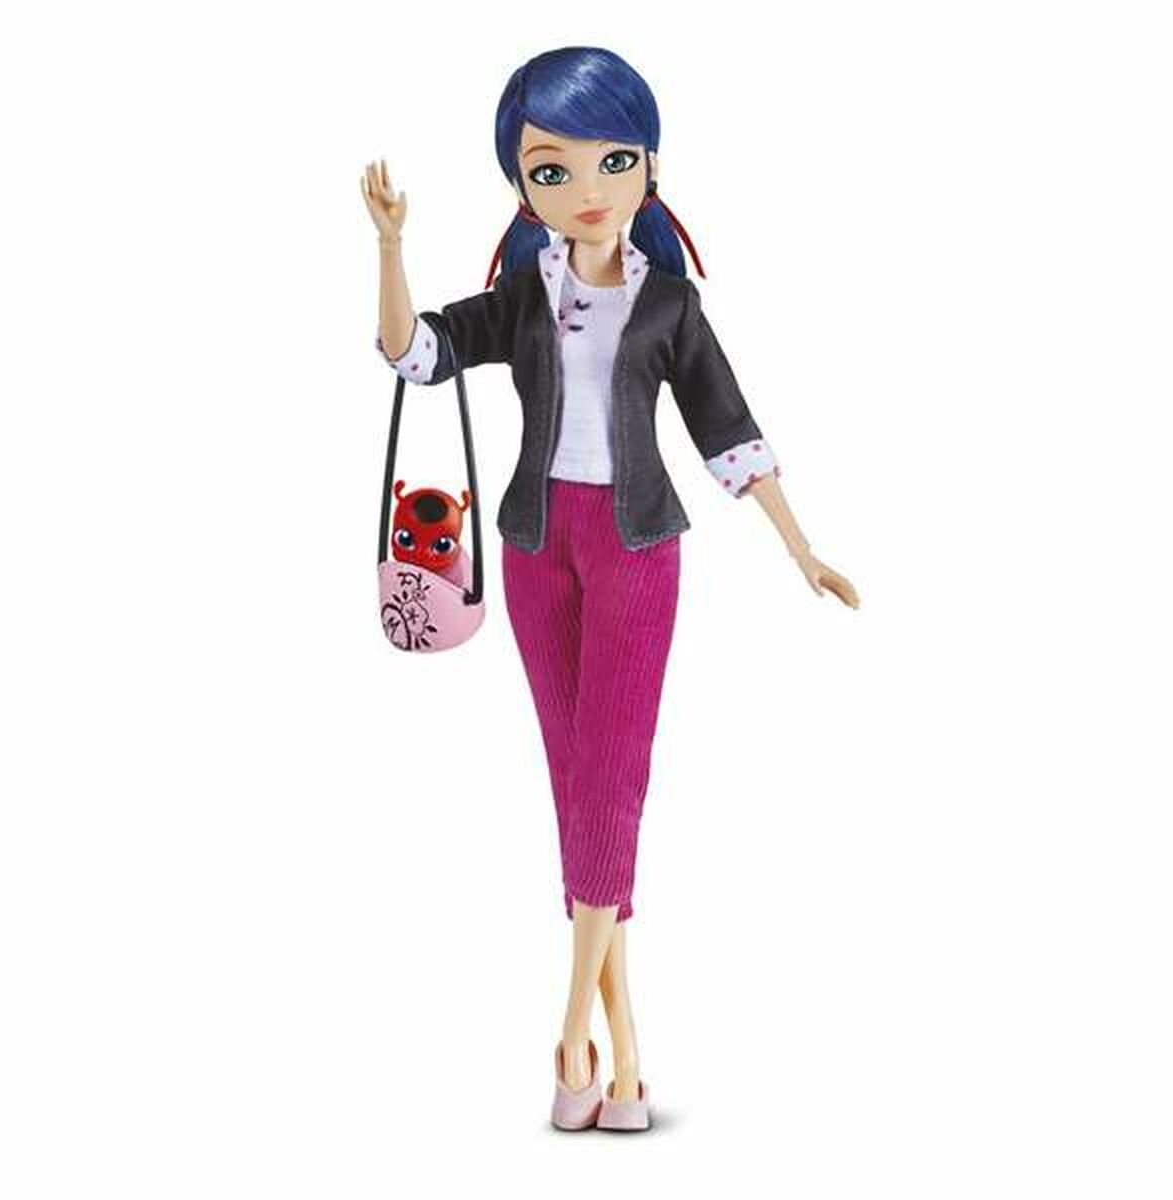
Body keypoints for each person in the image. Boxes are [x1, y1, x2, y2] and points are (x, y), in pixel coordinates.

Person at [363, 45, 859, 1132]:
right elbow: (414, 355)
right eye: (553, 170)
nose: (587, 189)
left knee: (611, 780)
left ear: (650, 167)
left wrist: (801, 548)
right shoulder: (520, 298)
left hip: (638, 548)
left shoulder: (670, 303)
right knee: (573, 781)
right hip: (537, 546)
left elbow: (728, 428)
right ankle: (624, 1058)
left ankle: (570, 1033)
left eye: (613, 161)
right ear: (521, 186)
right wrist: (392, 246)